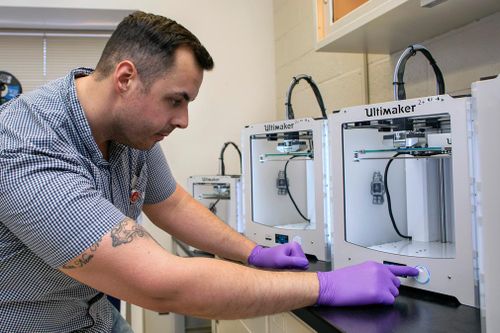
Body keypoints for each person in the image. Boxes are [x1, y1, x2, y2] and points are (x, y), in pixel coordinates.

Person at [0, 11, 418, 332]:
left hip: (96, 319)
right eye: (175, 100)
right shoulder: (23, 146)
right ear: (126, 78)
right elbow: (160, 284)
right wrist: (325, 288)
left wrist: (252, 252)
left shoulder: (130, 134)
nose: (183, 120)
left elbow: (172, 202)